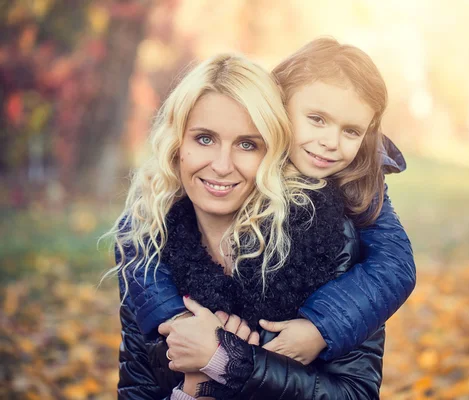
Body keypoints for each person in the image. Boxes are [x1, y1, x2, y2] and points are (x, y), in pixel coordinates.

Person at [111, 51, 398, 400]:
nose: (221, 164)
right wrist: (191, 389)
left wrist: (226, 361)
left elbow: (355, 392)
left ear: (275, 150)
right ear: (176, 145)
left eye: (247, 144)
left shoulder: (333, 240)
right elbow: (139, 389)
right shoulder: (148, 253)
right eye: (204, 138)